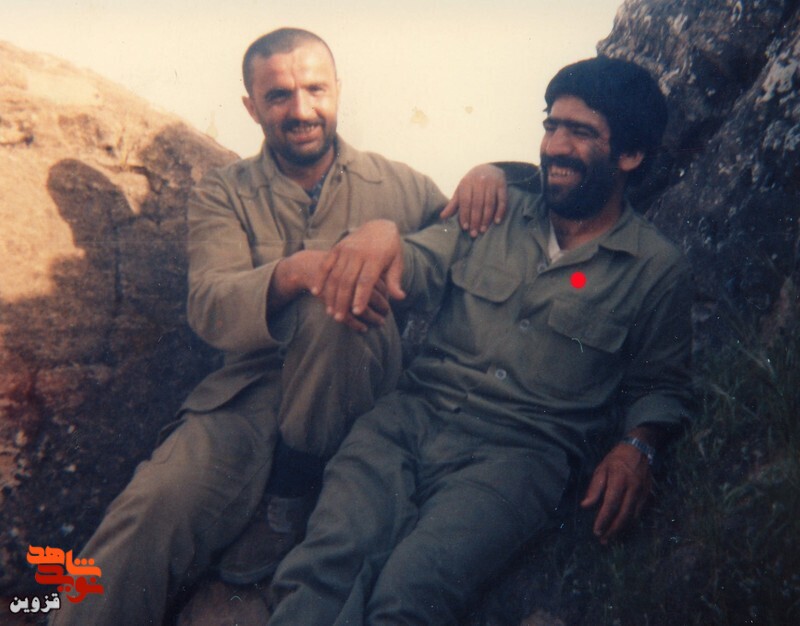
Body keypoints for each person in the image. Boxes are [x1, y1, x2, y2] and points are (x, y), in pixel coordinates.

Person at [51, 28, 507, 626]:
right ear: (251, 107)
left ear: (338, 90)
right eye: (278, 96)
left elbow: (457, 247)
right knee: (149, 511)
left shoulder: (399, 185)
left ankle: (289, 504)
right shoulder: (224, 193)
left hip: (356, 399)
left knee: (336, 305)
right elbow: (210, 303)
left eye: (315, 89)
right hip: (248, 395)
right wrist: (293, 272)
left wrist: (492, 171)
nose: (301, 110)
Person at [267, 55, 693, 625]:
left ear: (630, 155)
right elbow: (416, 261)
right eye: (551, 125)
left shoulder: (656, 268)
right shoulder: (492, 210)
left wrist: (637, 446)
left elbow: (661, 383)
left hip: (519, 458)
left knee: (410, 594)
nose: (555, 146)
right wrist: (382, 236)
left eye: (580, 132)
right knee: (326, 565)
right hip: (405, 424)